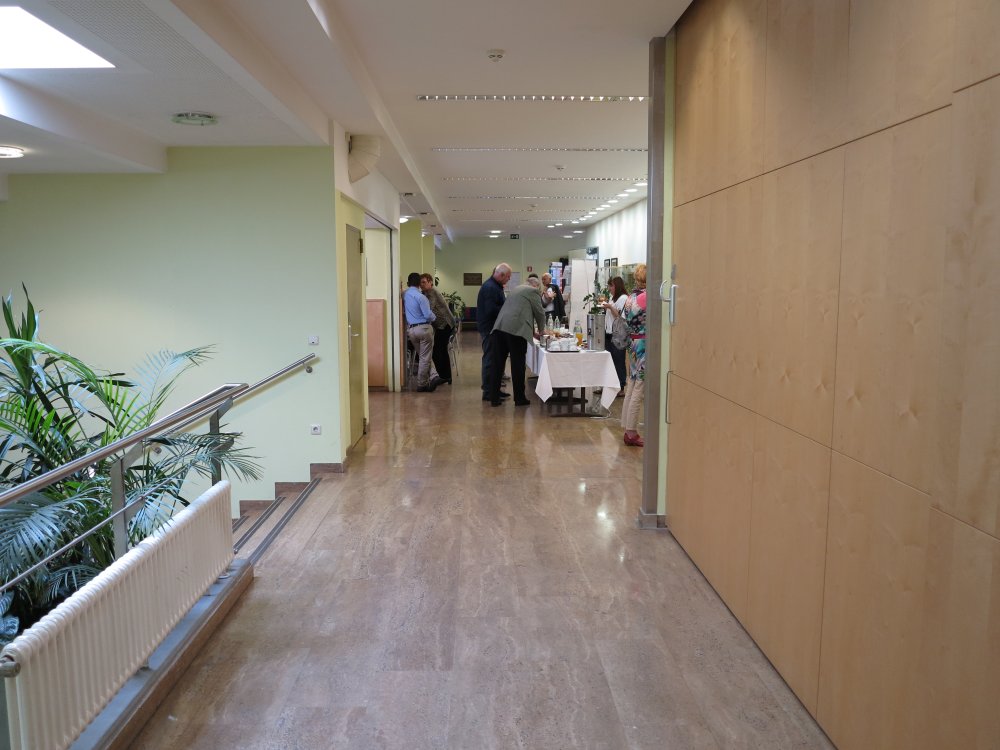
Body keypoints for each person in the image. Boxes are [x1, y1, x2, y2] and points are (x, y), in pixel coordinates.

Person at [488, 276, 546, 407]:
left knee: (497, 364)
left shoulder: (516, 289)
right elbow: (540, 313)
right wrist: (542, 331)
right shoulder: (533, 291)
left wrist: (532, 333)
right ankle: (519, 399)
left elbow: (521, 312)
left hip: (500, 328)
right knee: (518, 365)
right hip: (516, 331)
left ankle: (494, 398)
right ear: (536, 286)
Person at [620, 264, 647, 446]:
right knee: (639, 387)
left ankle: (626, 426)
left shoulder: (631, 297)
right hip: (643, 345)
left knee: (631, 383)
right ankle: (631, 432)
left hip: (632, 344)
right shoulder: (646, 297)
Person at [477, 263, 512, 401]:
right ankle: (488, 392)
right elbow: (491, 310)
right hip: (490, 329)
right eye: (508, 277)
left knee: (496, 361)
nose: (509, 279)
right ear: (501, 275)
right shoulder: (490, 287)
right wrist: (507, 309)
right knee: (490, 360)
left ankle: (495, 389)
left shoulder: (495, 286)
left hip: (494, 328)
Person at [403, 272, 440, 392]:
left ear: (408, 283)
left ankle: (434, 375)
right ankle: (421, 384)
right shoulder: (421, 297)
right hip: (424, 329)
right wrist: (434, 317)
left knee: (424, 356)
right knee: (425, 357)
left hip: (411, 331)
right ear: (419, 284)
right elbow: (428, 315)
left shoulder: (405, 294)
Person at [419, 273, 455, 385]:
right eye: (420, 283)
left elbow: (428, 309)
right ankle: (446, 376)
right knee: (441, 350)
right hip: (442, 326)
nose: (422, 285)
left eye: (424, 282)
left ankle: (443, 376)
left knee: (437, 351)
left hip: (445, 324)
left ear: (430, 282)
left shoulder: (432, 292)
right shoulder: (426, 293)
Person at [601, 276, 628, 389]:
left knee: (618, 360)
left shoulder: (623, 298)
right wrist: (606, 307)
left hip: (618, 334)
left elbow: (620, 316)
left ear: (617, 286)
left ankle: (621, 386)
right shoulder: (613, 298)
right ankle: (609, 386)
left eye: (611, 286)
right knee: (609, 360)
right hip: (609, 333)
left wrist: (610, 307)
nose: (609, 288)